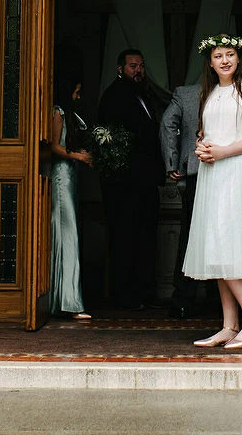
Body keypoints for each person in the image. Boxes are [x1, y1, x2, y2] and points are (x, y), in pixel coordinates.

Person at [182, 34, 242, 350]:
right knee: (217, 244)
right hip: (214, 173)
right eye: (218, 56)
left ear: (238, 57)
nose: (224, 60)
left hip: (239, 172)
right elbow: (208, 133)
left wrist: (223, 152)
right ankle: (229, 325)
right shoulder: (209, 93)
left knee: (228, 242)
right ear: (210, 61)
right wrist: (202, 147)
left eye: (230, 54)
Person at [96, 48, 164, 309]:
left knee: (145, 237)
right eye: (133, 66)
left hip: (144, 182)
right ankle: (125, 295)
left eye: (141, 66)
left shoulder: (143, 94)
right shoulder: (114, 96)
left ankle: (144, 292)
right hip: (124, 185)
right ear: (120, 68)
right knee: (126, 238)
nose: (138, 71)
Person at [47, 78, 94, 320]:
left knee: (69, 232)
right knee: (68, 233)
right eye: (76, 91)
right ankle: (69, 301)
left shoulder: (70, 113)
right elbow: (54, 146)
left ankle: (63, 297)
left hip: (70, 177)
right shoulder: (59, 111)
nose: (78, 96)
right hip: (60, 177)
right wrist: (78, 156)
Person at [160, 81, 204, 318]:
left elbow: (168, 124)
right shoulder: (241, 89)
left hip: (195, 171)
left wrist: (173, 161)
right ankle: (222, 300)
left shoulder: (186, 94)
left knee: (190, 236)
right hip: (217, 171)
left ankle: (183, 299)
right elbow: (168, 124)